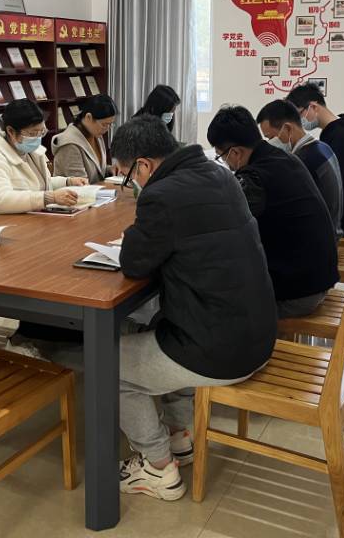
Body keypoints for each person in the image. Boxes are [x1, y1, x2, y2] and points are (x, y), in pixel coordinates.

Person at [111, 116, 277, 501]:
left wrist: (135, 230)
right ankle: (180, 436)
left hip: (219, 350)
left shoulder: (161, 195)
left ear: (144, 165)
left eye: (127, 175)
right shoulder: (219, 174)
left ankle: (157, 467)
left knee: (108, 364)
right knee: (154, 325)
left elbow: (134, 263)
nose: (130, 183)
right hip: (257, 332)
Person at [207, 105, 339, 317]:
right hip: (318, 278)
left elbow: (226, 227)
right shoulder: (285, 158)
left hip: (298, 294)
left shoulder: (255, 178)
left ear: (235, 152)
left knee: (209, 299)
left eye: (221, 156)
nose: (225, 162)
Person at [0, 99, 87, 220]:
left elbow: (40, 184)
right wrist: (50, 198)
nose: (37, 138)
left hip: (31, 220)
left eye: (41, 132)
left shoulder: (31, 152)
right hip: (0, 225)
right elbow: (2, 199)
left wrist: (68, 182)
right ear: (11, 131)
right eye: (32, 134)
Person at [287, 84, 344, 237]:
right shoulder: (336, 131)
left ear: (313, 107)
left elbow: (334, 184)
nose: (299, 122)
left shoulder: (340, 137)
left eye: (298, 115)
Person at [255, 99, 344, 237]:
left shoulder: (302, 161)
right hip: (332, 229)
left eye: (271, 137)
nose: (270, 144)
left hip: (320, 238)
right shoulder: (322, 147)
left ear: (288, 128)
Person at [51, 93, 117, 183]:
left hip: (94, 190)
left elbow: (97, 170)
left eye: (110, 124)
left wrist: (109, 169)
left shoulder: (95, 134)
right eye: (104, 124)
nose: (107, 129)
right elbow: (80, 184)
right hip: (76, 191)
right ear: (88, 117)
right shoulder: (69, 144)